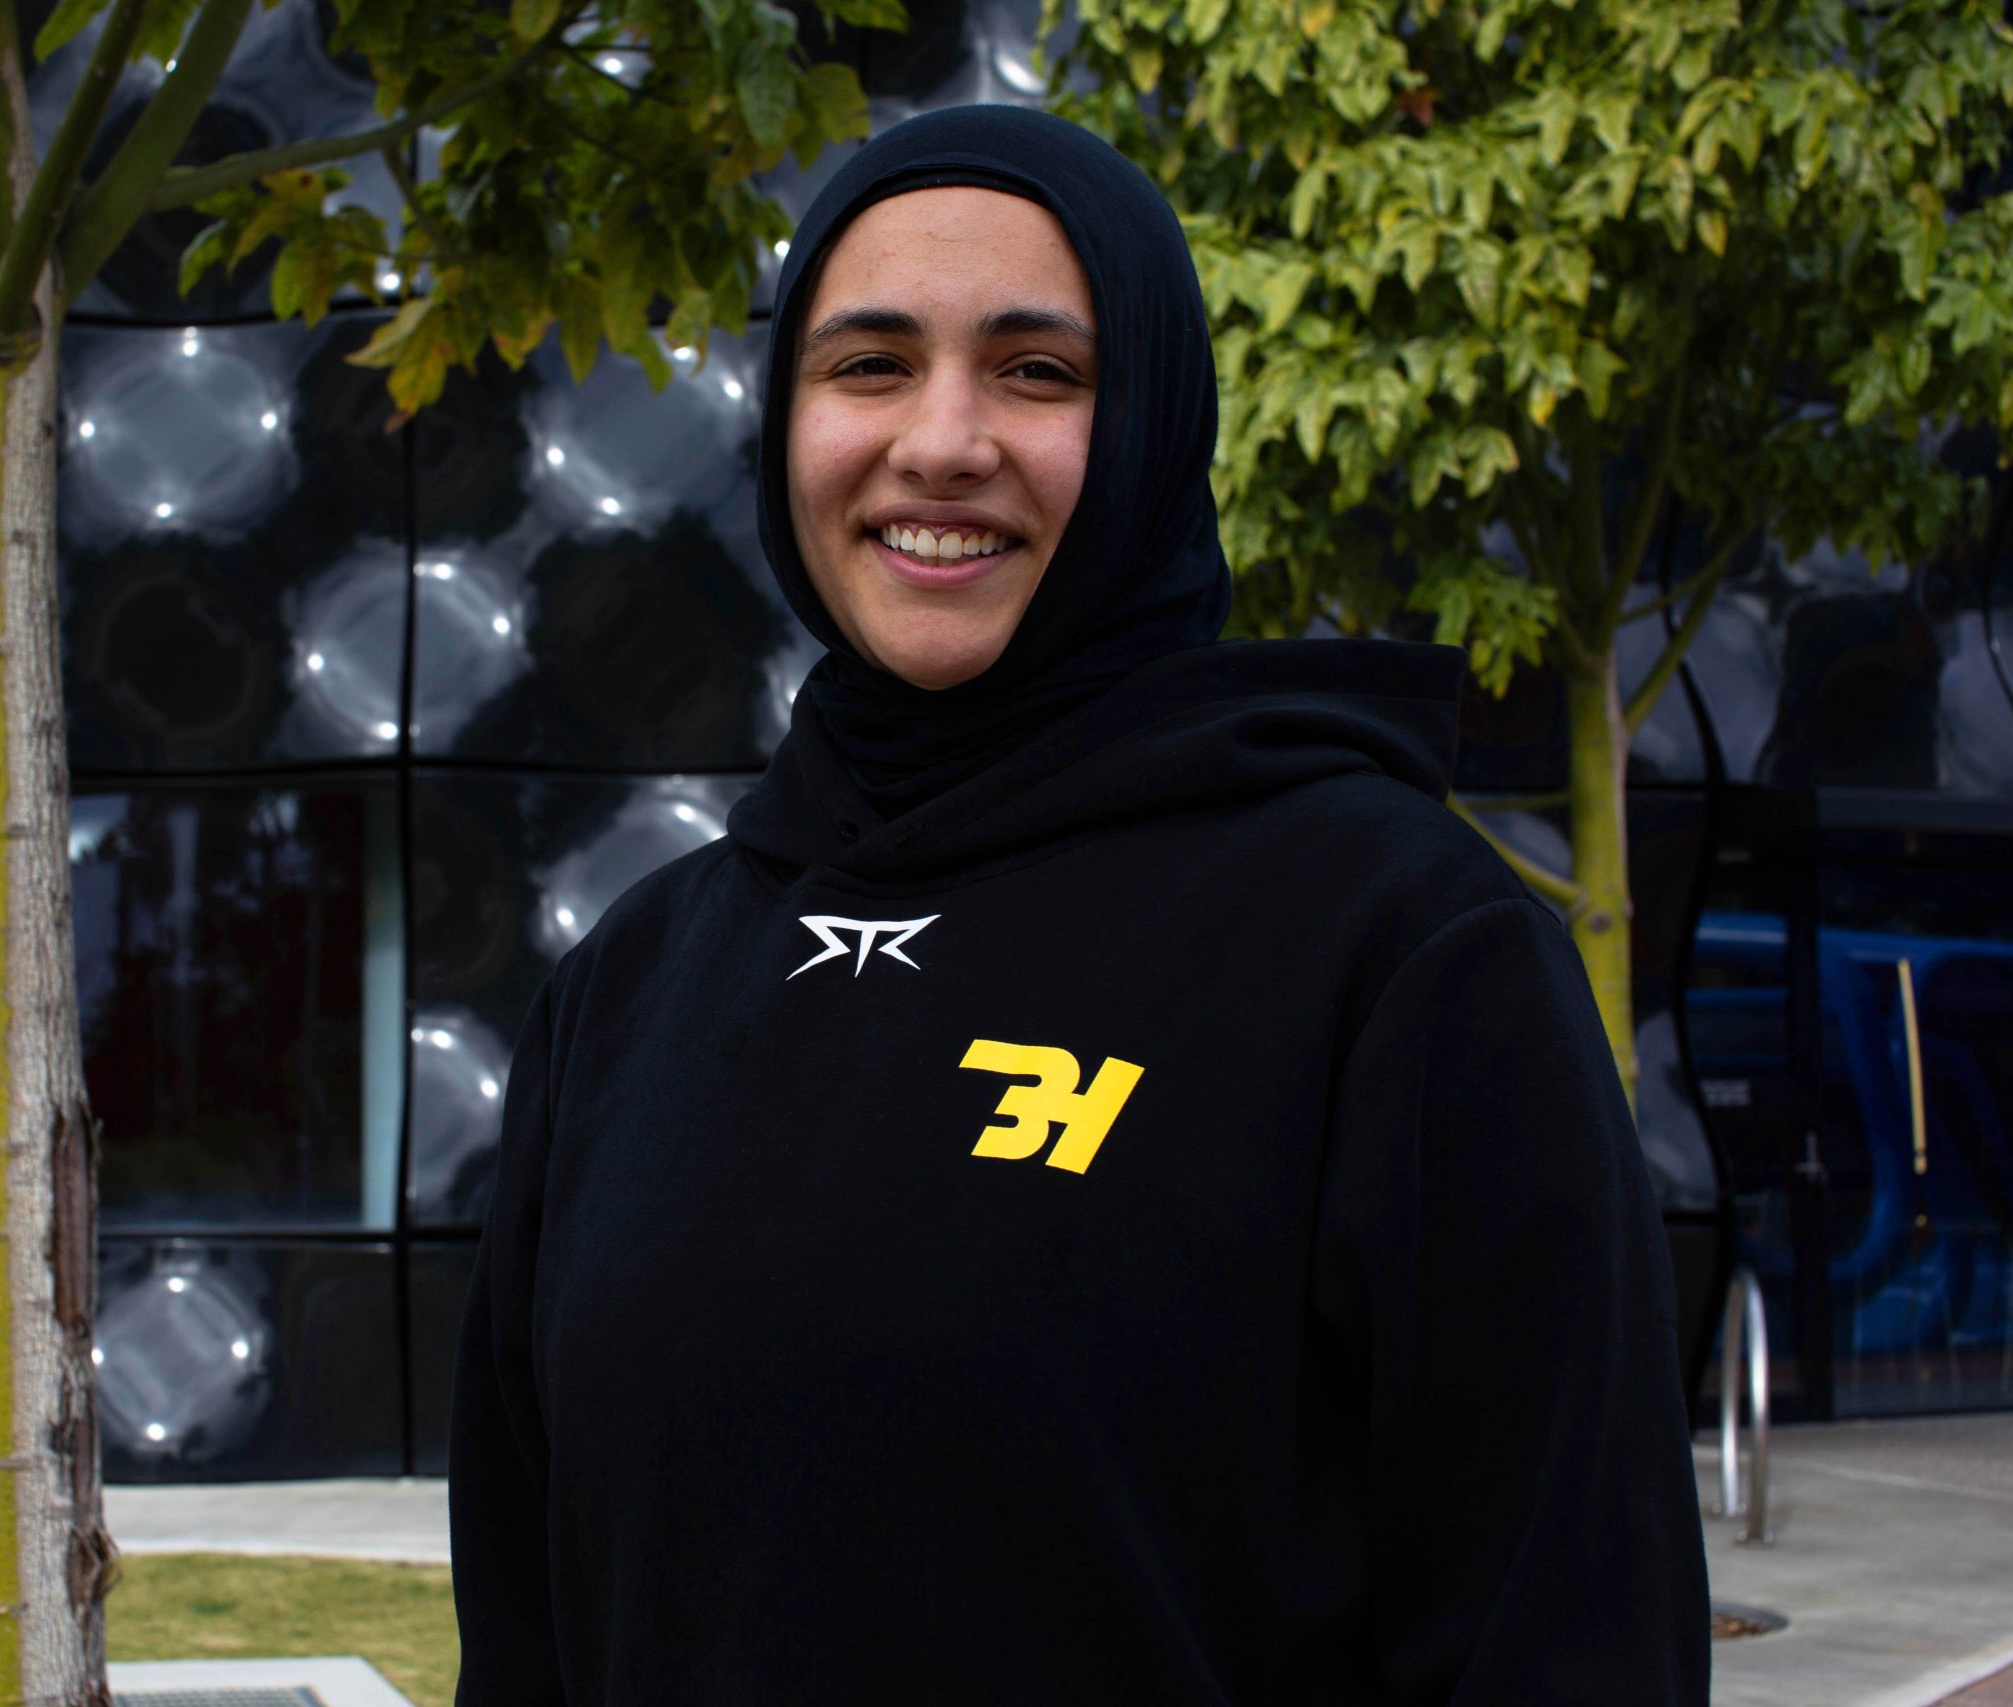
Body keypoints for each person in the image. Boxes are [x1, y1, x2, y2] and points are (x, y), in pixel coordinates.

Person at [448, 104, 1709, 1703]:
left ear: (1155, 426)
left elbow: (1568, 1636)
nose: (943, 442)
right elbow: (530, 1632)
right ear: (784, 424)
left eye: (1037, 371)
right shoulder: (630, 986)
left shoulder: (1398, 942)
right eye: (870, 364)